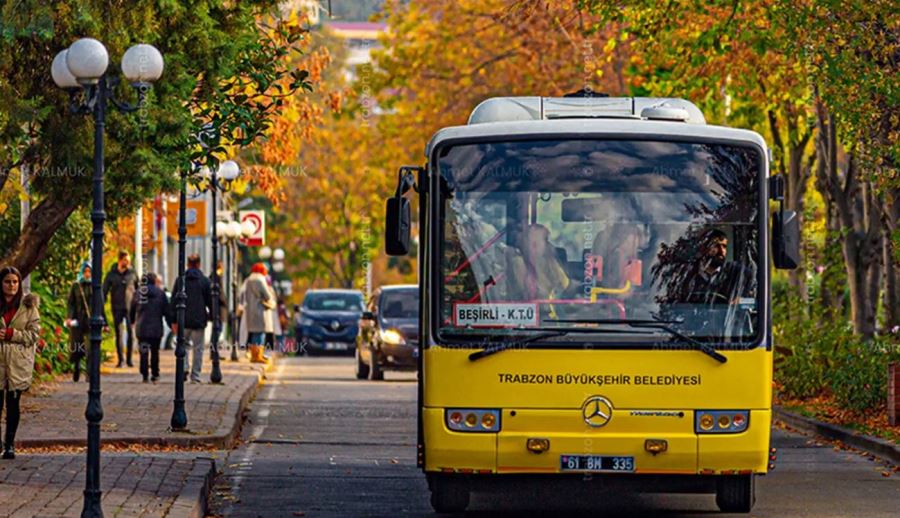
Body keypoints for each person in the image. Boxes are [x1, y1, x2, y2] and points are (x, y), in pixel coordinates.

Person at [0, 266, 41, 459]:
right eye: (7, 281)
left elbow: (34, 334)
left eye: (15, 282)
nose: (11, 285)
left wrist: (11, 334)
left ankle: (10, 444)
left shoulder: (28, 307)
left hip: (17, 362)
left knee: (13, 404)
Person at [682, 229, 754, 304]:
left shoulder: (739, 273)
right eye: (716, 246)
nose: (721, 251)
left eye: (724, 246)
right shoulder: (685, 274)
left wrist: (741, 301)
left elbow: (755, 301)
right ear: (702, 248)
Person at [172, 254, 212, 384]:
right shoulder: (205, 281)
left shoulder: (180, 280)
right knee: (198, 348)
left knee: (183, 345)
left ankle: (184, 368)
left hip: (183, 319)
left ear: (187, 264)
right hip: (199, 319)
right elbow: (210, 301)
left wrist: (173, 319)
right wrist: (211, 315)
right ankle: (195, 376)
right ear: (199, 264)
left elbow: (174, 300)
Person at [130, 273, 172, 383]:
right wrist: (170, 323)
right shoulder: (161, 293)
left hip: (142, 327)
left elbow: (132, 309)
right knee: (155, 351)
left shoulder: (138, 293)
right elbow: (166, 311)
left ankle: (144, 374)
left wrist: (132, 321)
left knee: (143, 351)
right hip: (156, 327)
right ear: (154, 281)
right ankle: (155, 373)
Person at [102, 251, 137, 368]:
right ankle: (121, 360)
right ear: (120, 260)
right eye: (125, 261)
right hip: (116, 307)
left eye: (128, 261)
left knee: (131, 333)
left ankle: (129, 359)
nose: (127, 263)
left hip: (130, 308)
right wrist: (102, 302)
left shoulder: (132, 274)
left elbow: (139, 290)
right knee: (119, 334)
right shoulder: (111, 274)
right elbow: (104, 291)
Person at [239, 263, 275, 363]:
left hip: (250, 310)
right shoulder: (260, 280)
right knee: (260, 334)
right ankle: (257, 356)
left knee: (255, 333)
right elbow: (267, 296)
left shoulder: (248, 280)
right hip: (260, 310)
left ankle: (254, 355)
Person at [66, 261, 93, 382]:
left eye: (89, 271)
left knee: (89, 349)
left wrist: (105, 323)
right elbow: (70, 303)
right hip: (77, 321)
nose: (87, 274)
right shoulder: (76, 285)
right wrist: (70, 317)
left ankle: (89, 373)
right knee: (77, 348)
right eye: (85, 271)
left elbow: (100, 304)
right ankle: (76, 369)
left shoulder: (95, 285)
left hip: (90, 322)